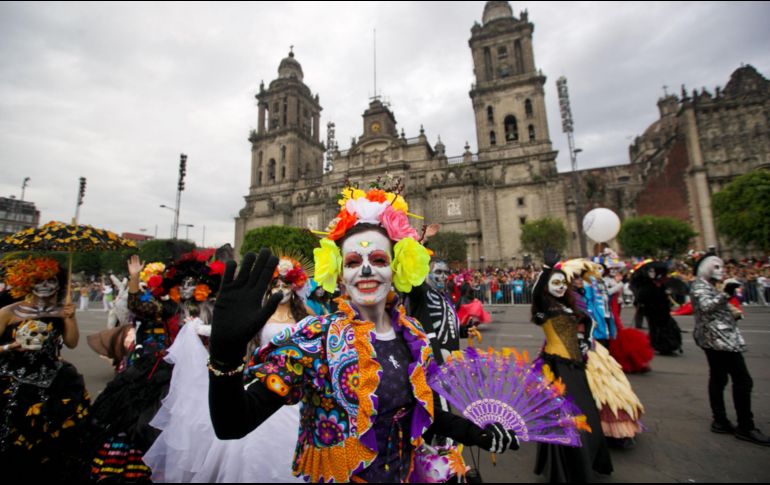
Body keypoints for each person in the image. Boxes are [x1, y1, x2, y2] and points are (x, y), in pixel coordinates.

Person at [208, 185, 518, 483]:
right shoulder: (315, 340)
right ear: (340, 273)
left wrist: (477, 434)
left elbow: (425, 412)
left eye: (379, 260)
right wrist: (225, 358)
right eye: (354, 262)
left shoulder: (413, 336)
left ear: (396, 268)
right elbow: (233, 424)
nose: (366, 270)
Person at [143, 254, 305, 482]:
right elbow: (229, 335)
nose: (282, 289)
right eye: (277, 284)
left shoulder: (307, 317)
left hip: (296, 392)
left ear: (295, 286)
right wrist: (208, 336)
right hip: (264, 386)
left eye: (286, 284)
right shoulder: (259, 314)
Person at [88, 251, 224, 481]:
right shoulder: (168, 309)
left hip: (203, 376)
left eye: (193, 283)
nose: (188, 288)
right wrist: (134, 278)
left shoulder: (212, 310)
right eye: (183, 283)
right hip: (167, 374)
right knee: (148, 423)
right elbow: (138, 305)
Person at [0, 257, 90, 479]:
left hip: (54, 382)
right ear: (28, 283)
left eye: (51, 281)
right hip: (13, 382)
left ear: (59, 284)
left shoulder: (61, 311)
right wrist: (10, 347)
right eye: (40, 281)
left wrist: (70, 318)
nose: (46, 286)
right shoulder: (8, 312)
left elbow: (71, 343)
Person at [531, 252, 612, 482]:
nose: (559, 286)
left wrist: (586, 339)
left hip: (576, 366)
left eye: (562, 283)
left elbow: (587, 320)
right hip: (557, 368)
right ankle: (571, 469)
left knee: (588, 416)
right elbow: (536, 292)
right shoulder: (543, 308)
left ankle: (590, 461)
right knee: (567, 419)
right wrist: (547, 269)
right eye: (554, 283)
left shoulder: (567, 305)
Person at [690, 253, 770, 446]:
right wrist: (726, 293)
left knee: (719, 378)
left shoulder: (708, 286)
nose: (721, 270)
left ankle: (720, 420)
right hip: (718, 341)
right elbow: (706, 308)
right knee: (742, 380)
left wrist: (731, 312)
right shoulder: (699, 286)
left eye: (721, 267)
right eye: (715, 267)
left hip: (720, 337)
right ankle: (745, 426)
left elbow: (714, 310)